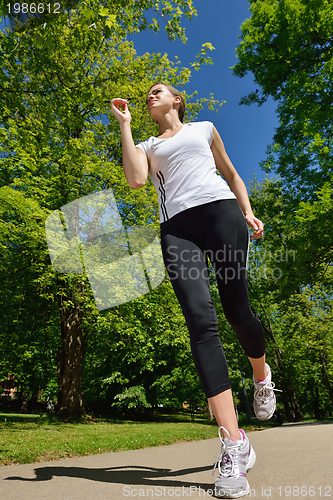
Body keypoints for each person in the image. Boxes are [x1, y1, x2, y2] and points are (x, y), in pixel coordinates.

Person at [110, 83, 280, 498]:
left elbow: (232, 173)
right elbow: (135, 179)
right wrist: (126, 125)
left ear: (177, 100)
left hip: (221, 213)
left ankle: (262, 376)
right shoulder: (147, 143)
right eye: (148, 94)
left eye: (158, 91)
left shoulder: (204, 128)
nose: (150, 96)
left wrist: (248, 210)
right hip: (178, 231)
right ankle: (234, 443)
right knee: (200, 321)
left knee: (236, 308)